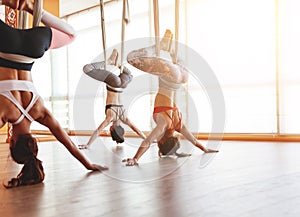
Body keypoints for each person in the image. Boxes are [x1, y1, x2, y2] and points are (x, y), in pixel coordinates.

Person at [0, 0, 108, 188]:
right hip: (5, 47)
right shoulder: (4, 114)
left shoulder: (40, 112)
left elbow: (69, 144)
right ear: (12, 142)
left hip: (32, 49)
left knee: (71, 34)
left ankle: (30, 7)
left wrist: (89, 165)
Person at [122, 30, 219, 166]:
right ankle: (160, 46)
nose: (157, 140)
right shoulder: (163, 124)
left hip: (183, 77)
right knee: (131, 57)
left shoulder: (178, 125)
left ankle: (170, 49)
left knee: (174, 59)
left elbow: (194, 141)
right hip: (169, 75)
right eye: (159, 143)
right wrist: (135, 158)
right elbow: (147, 141)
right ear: (161, 141)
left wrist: (205, 149)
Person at [79, 49, 146, 149]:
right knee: (87, 68)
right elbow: (98, 130)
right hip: (114, 83)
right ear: (112, 129)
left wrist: (147, 140)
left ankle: (117, 64)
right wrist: (88, 145)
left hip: (123, 84)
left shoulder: (125, 118)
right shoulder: (110, 117)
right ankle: (110, 61)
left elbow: (137, 130)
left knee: (129, 74)